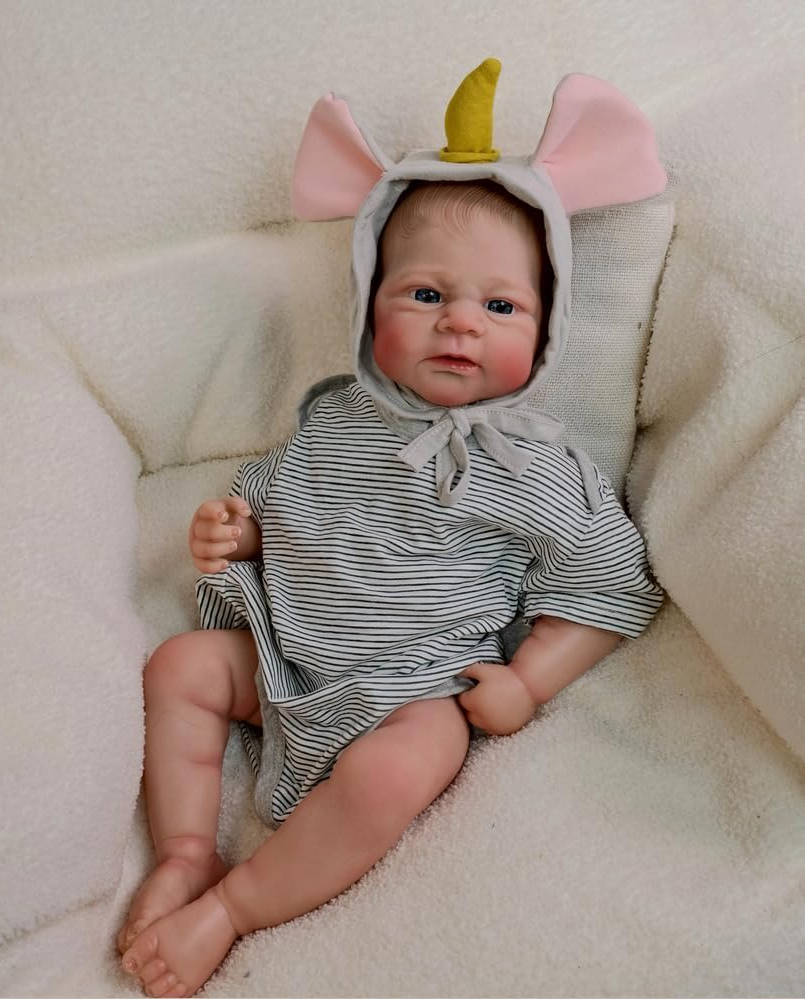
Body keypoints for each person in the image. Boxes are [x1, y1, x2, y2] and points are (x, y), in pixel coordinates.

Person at [118, 62, 666, 997]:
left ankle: (233, 906)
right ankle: (183, 851)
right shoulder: (337, 416)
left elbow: (606, 585)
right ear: (369, 307)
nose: (459, 324)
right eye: (424, 295)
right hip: (290, 656)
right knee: (179, 667)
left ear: (546, 331)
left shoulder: (536, 466)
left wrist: (527, 681)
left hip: (415, 691)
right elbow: (284, 507)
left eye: (499, 306)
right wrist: (236, 536)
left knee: (398, 771)